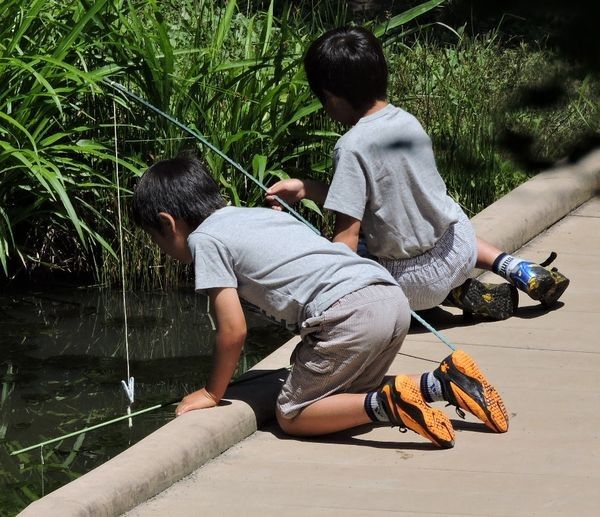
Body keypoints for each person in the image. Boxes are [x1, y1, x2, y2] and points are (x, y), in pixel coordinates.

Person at [131, 152, 509, 448]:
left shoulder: (204, 241)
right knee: (343, 394)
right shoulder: (255, 216)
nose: (162, 249)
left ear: (168, 223)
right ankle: (441, 383)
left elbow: (233, 330)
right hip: (390, 299)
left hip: (347, 314)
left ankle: (392, 404)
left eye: (156, 239)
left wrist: (213, 393)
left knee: (294, 414)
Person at [265, 26, 570, 320]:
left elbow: (346, 239)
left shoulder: (351, 147)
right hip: (457, 249)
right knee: (441, 215)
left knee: (359, 254)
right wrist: (306, 188)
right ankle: (515, 267)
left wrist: (323, 298)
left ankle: (454, 294)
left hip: (411, 284)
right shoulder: (406, 121)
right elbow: (385, 195)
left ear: (331, 97)